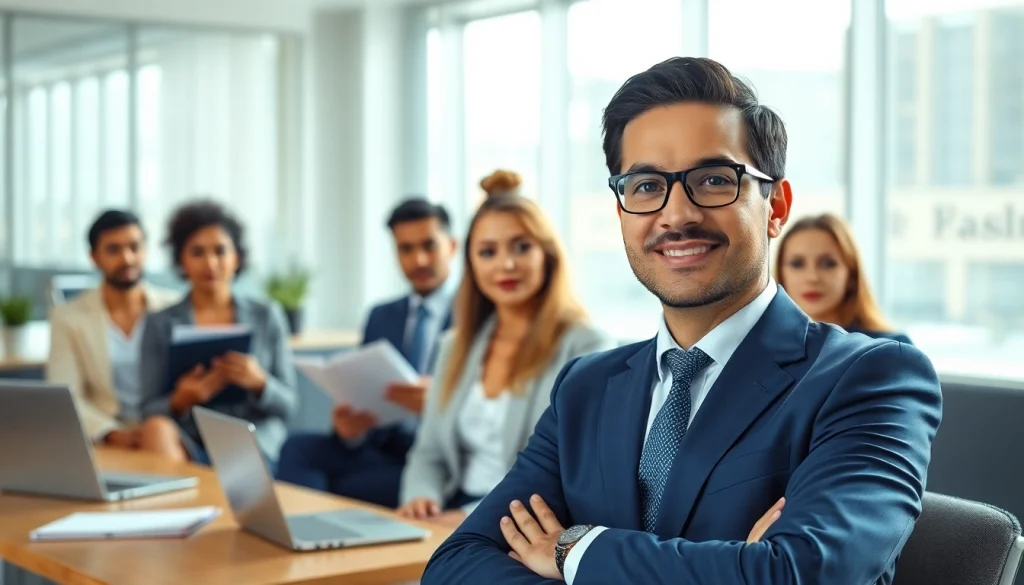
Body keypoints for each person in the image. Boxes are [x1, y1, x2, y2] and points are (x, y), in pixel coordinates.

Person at [421, 57, 941, 585]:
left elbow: (802, 575)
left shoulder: (871, 378)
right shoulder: (585, 388)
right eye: (646, 186)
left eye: (714, 179)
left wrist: (574, 550)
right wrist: (731, 565)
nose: (676, 215)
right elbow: (457, 564)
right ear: (621, 212)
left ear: (776, 206)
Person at [397, 193, 614, 528]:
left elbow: (561, 472)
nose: (506, 264)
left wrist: (468, 519)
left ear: (548, 255)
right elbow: (429, 453)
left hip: (529, 524)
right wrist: (420, 499)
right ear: (471, 263)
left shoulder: (586, 346)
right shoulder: (455, 346)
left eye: (521, 247)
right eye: (487, 252)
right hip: (450, 511)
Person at [276, 198, 459, 507]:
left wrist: (437, 404)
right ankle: (303, 538)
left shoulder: (474, 316)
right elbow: (361, 391)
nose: (419, 260)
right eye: (406, 249)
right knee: (297, 449)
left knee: (328, 485)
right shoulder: (382, 315)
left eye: (429, 246)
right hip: (385, 447)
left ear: (452, 247)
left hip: (440, 458)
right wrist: (350, 429)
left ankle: (314, 528)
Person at [139, 200, 298, 464]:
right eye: (197, 252)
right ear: (182, 260)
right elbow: (148, 409)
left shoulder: (267, 315)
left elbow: (289, 405)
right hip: (190, 440)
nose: (210, 263)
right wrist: (180, 400)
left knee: (242, 455)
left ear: (236, 258)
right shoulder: (159, 323)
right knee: (156, 429)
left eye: (220, 251)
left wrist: (260, 383)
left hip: (251, 440)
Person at [47, 210, 185, 460]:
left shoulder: (174, 308)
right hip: (106, 438)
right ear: (94, 257)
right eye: (114, 250)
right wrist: (111, 433)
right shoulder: (68, 317)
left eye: (135, 247)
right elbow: (64, 395)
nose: (127, 258)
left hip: (168, 432)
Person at [776, 213, 912, 343]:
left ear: (852, 274)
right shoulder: (765, 347)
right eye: (797, 264)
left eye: (828, 264)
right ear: (781, 273)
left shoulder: (892, 348)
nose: (812, 277)